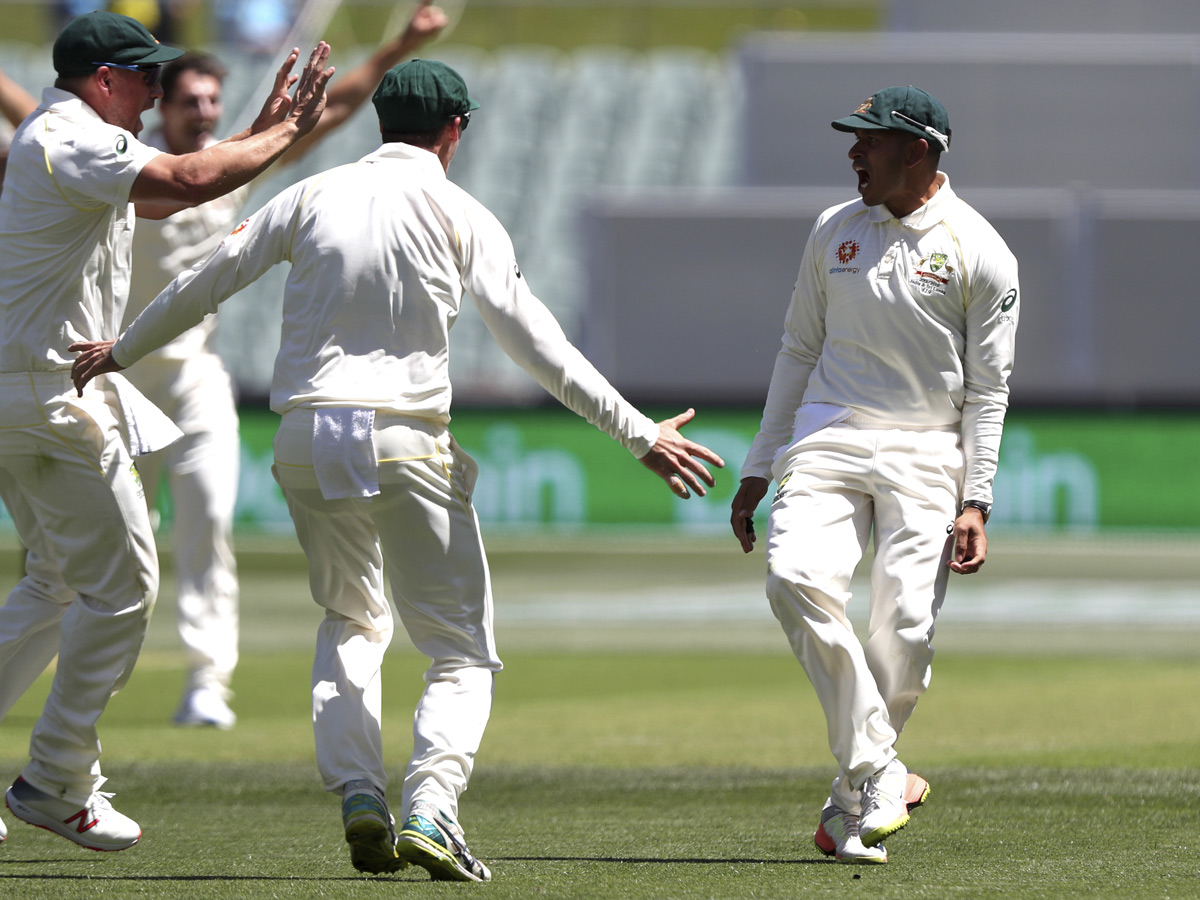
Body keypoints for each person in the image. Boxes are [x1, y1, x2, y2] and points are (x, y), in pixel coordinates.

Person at [69, 58, 725, 879]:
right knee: (458, 648)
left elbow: (209, 280)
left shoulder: (311, 194)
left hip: (306, 437)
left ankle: (357, 791)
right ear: (454, 131)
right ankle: (433, 808)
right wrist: (639, 435)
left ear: (383, 123)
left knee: (352, 620)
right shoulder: (460, 210)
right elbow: (538, 345)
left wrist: (121, 350)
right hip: (405, 435)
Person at [0, 10, 333, 852]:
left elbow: (163, 197)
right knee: (125, 590)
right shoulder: (72, 136)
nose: (156, 94)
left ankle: (57, 770)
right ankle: (57, 777)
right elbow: (185, 183)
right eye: (144, 78)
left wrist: (264, 137)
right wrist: (289, 130)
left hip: (21, 393)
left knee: (54, 585)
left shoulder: (63, 140)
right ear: (104, 79)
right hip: (52, 401)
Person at [127, 0, 448, 732]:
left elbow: (333, 109)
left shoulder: (231, 169)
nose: (205, 113)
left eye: (213, 100)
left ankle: (208, 683)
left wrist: (403, 42)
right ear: (161, 110)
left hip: (194, 379)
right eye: (190, 102)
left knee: (208, 524)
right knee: (122, 546)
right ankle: (95, 679)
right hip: (121, 381)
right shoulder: (132, 172)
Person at [729, 86, 1018, 864]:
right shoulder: (834, 229)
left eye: (871, 141)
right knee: (793, 578)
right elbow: (797, 349)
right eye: (854, 141)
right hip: (830, 438)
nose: (854, 153)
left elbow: (989, 389)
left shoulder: (979, 249)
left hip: (928, 450)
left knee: (905, 630)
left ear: (917, 151)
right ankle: (880, 770)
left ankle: (850, 798)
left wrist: (977, 498)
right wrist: (760, 466)